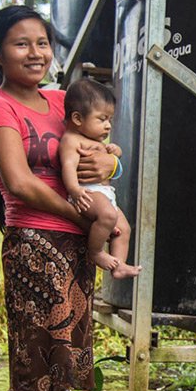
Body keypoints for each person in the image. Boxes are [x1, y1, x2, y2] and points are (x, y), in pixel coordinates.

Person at [0, 5, 117, 391]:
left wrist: (112, 160)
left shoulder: (62, 101)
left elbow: (100, 145)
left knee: (60, 357)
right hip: (35, 244)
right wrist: (80, 216)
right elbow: (18, 182)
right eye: (21, 44)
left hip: (75, 245)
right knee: (34, 358)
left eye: (41, 42)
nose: (35, 53)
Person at [59, 78, 141, 279]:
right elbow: (68, 166)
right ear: (78, 119)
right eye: (102, 119)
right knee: (108, 216)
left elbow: (114, 159)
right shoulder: (72, 140)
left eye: (110, 120)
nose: (108, 126)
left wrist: (115, 152)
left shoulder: (95, 139)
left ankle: (119, 265)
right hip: (87, 193)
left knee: (124, 229)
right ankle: (95, 252)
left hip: (105, 193)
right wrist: (75, 190)